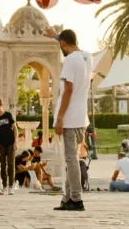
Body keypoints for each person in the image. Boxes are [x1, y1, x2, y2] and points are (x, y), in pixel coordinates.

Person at [45, 26, 93, 212]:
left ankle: (76, 199)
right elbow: (70, 45)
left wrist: (60, 118)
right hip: (81, 118)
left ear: (63, 44)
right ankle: (67, 199)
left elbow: (68, 90)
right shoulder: (87, 57)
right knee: (71, 159)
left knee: (71, 159)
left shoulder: (70, 60)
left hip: (70, 118)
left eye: (61, 44)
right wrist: (55, 36)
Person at [0, 98, 17, 195]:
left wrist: (16, 141)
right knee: (3, 165)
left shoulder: (8, 115)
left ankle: (11, 186)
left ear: (1, 105)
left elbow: (15, 128)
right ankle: (4, 186)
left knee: (11, 164)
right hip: (0, 143)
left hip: (10, 143)